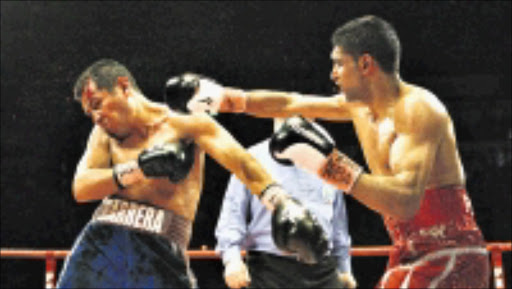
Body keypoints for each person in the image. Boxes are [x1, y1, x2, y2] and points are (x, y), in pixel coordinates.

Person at [186, 15, 490, 288]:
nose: (333, 74)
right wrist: (230, 100)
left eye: (339, 63)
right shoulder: (360, 109)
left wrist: (329, 165)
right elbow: (291, 103)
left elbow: (405, 202)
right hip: (408, 250)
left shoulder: (418, 110)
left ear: (366, 64)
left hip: (451, 252)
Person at [56, 60, 329, 288]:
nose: (95, 117)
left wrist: (281, 202)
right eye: (89, 112)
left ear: (123, 86)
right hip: (102, 243)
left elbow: (243, 164)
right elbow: (81, 187)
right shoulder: (103, 135)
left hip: (163, 248)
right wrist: (139, 169)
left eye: (97, 104)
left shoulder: (187, 124)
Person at [215, 118, 356, 289]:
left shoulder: (330, 161)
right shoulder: (251, 158)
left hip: (323, 269)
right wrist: (232, 260)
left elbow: (338, 222)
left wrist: (345, 268)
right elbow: (232, 215)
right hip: (269, 269)